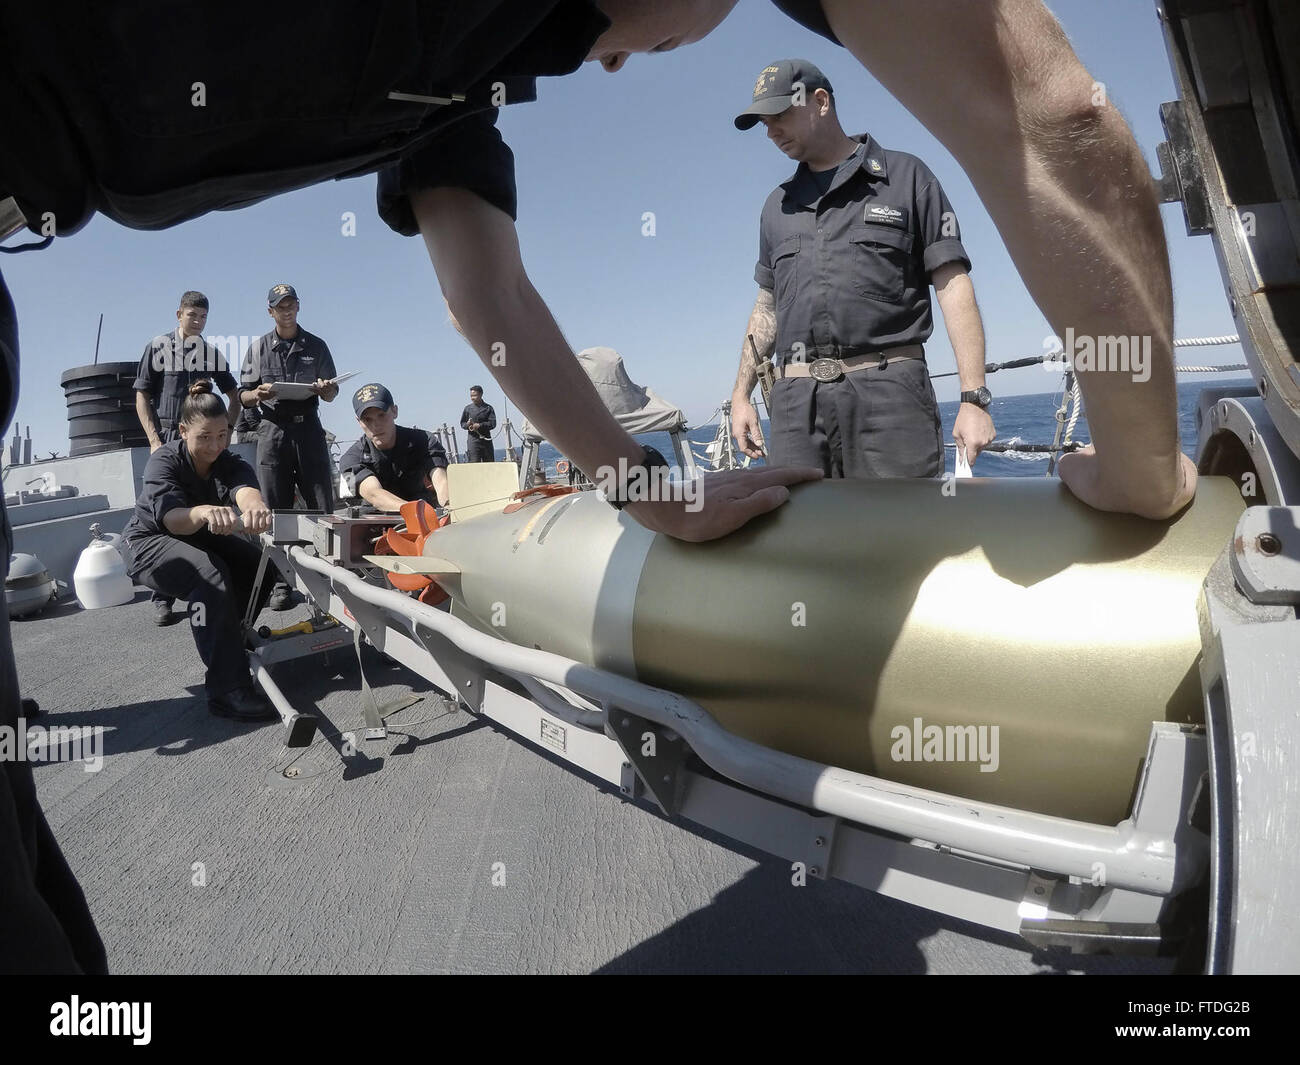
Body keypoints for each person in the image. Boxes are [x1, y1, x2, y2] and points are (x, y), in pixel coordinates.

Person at [0, 0, 1197, 970]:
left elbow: (497, 304)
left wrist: (645, 489)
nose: (616, 71)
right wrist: (1146, 463)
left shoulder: (473, 81)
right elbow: (1052, 106)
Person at [730, 59, 996, 478]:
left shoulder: (907, 178)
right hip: (797, 410)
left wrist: (974, 398)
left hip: (890, 400)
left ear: (820, 102)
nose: (771, 130)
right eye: (764, 122)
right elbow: (767, 306)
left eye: (780, 115)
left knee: (902, 538)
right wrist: (741, 396)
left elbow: (953, 284)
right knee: (805, 540)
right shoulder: (775, 207)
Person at [119, 380, 277, 723]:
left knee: (259, 564)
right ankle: (225, 690)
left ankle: (229, 637)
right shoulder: (163, 461)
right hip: (148, 540)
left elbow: (246, 490)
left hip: (195, 534)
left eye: (222, 435)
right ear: (182, 430)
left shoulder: (227, 459)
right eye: (204, 437)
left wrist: (255, 508)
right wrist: (204, 512)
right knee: (209, 573)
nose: (214, 445)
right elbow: (174, 521)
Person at [133, 290, 241, 625]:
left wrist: (227, 430)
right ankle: (162, 595)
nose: (198, 322)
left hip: (201, 443)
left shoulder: (210, 353)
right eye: (192, 315)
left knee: (196, 508)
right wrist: (154, 441)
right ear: (178, 314)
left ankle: (203, 583)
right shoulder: (157, 348)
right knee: (163, 509)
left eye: (203, 317)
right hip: (167, 438)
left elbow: (234, 394)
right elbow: (142, 394)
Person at [239, 283, 339, 610]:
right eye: (280, 306)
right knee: (275, 509)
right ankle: (282, 585)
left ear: (299, 307)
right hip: (272, 431)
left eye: (291, 304)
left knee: (322, 504)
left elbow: (332, 392)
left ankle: (333, 577)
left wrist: (325, 390)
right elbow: (243, 395)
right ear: (270, 312)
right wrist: (259, 395)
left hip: (308, 428)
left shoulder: (318, 346)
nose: (286, 310)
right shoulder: (257, 350)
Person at [340, 383, 450, 511]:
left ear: (394, 411)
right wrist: (416, 513)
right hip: (375, 523)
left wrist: (448, 507)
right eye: (367, 420)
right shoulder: (350, 460)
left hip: (426, 514)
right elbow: (375, 495)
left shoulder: (424, 441)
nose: (376, 425)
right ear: (359, 422)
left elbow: (441, 480)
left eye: (381, 415)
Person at [460, 386, 497, 463]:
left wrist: (480, 425)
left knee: (489, 464)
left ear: (481, 395)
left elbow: (493, 424)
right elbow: (462, 423)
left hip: (486, 440)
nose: (472, 398)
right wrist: (468, 425)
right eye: (471, 396)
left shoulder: (488, 408)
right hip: (473, 441)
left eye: (474, 396)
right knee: (474, 464)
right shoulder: (468, 409)